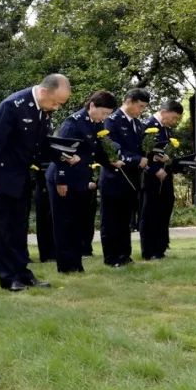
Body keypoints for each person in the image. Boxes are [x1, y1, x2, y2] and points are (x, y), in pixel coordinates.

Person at [0, 74, 70, 291]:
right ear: (43, 91)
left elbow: (41, 146)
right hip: (1, 177)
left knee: (19, 229)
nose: (57, 107)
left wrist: (63, 155)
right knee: (3, 229)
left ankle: (23, 273)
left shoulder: (42, 111)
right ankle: (8, 277)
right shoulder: (12, 106)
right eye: (56, 102)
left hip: (21, 177)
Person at [46, 90, 117, 273]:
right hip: (63, 178)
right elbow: (62, 153)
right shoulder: (73, 123)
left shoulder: (95, 124)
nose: (104, 118)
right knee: (64, 223)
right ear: (92, 105)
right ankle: (65, 266)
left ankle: (76, 264)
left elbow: (96, 151)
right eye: (103, 113)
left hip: (80, 178)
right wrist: (61, 180)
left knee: (78, 222)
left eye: (108, 115)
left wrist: (111, 162)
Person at [99, 89, 150, 267]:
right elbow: (112, 148)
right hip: (114, 177)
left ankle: (124, 254)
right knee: (111, 219)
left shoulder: (137, 124)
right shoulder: (111, 121)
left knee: (125, 219)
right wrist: (137, 160)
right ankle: (112, 257)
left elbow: (142, 148)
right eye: (140, 106)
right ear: (129, 101)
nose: (141, 110)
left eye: (144, 108)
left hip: (132, 178)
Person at [138, 99, 184, 260]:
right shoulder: (148, 125)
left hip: (165, 177)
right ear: (164, 112)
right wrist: (155, 169)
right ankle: (149, 250)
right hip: (151, 177)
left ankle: (160, 247)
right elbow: (144, 152)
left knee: (164, 210)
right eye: (174, 117)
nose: (175, 121)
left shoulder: (166, 129)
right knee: (150, 213)